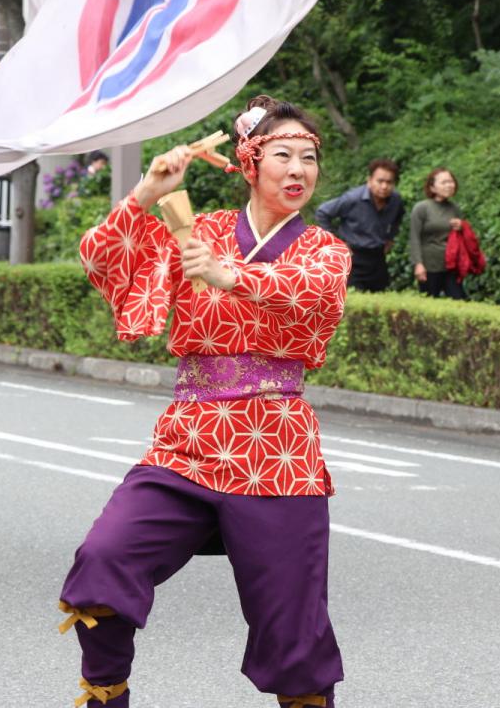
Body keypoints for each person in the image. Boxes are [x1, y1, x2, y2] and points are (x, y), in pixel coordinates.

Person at [58, 96, 350, 707]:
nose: (298, 170)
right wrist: (146, 192)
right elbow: (100, 260)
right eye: (283, 156)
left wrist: (230, 276)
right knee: (104, 561)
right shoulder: (203, 228)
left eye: (309, 158)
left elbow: (315, 294)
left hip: (277, 451)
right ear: (249, 162)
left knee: (294, 637)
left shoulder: (324, 249)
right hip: (188, 442)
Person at [314, 158, 404, 292]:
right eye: (380, 181)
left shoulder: (395, 200)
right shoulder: (353, 198)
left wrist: (390, 238)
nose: (384, 186)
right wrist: (336, 243)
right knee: (353, 298)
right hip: (353, 257)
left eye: (389, 182)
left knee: (380, 299)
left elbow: (398, 217)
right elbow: (323, 212)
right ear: (369, 180)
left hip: (378, 257)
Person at [409, 167, 473, 299]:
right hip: (429, 266)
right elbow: (414, 238)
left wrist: (462, 227)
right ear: (432, 188)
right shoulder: (422, 208)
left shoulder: (454, 208)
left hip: (451, 265)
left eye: (451, 181)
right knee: (429, 304)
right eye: (444, 182)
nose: (449, 185)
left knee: (459, 301)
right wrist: (418, 264)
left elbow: (460, 237)